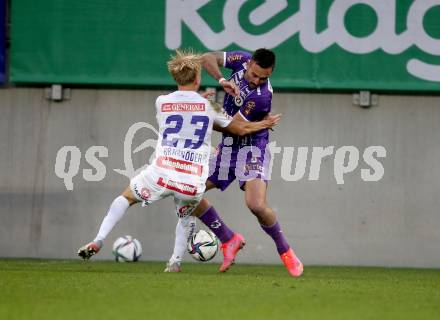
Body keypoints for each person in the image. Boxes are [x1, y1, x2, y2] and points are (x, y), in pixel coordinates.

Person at [77, 49, 281, 261]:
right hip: (190, 177)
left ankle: (99, 238)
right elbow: (237, 128)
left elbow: (183, 111)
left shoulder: (162, 101)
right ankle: (175, 261)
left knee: (125, 198)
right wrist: (263, 124)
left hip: (161, 171)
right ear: (198, 78)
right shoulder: (207, 106)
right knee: (187, 210)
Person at [166, 49, 303, 277]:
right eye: (255, 74)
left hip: (252, 148)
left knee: (256, 205)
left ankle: (285, 250)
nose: (257, 80)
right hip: (228, 147)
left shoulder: (262, 95)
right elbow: (207, 58)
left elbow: (234, 127)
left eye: (264, 78)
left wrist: (201, 109)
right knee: (187, 191)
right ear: (249, 64)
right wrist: (221, 80)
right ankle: (228, 239)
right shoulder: (240, 59)